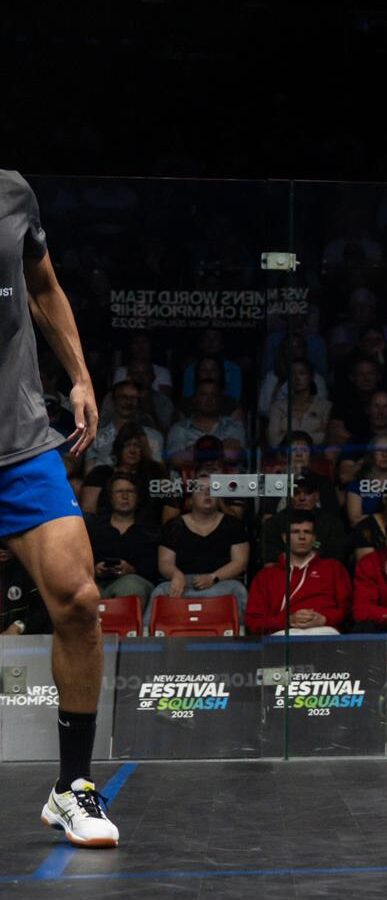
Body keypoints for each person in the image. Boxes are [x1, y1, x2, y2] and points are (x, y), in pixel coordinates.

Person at [0, 170, 120, 845]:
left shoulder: (11, 193)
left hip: (18, 444)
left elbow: (43, 287)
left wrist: (79, 375)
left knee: (78, 599)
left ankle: (72, 787)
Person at [150, 479, 251, 627]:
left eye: (212, 489)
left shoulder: (233, 525)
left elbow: (240, 562)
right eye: (200, 489)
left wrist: (213, 577)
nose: (207, 493)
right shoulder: (174, 526)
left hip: (221, 583)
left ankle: (243, 637)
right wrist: (176, 574)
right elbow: (165, 562)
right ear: (190, 498)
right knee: (160, 592)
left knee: (238, 590)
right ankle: (146, 637)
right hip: (183, 583)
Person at [244, 512, 353, 636]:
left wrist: (324, 619)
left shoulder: (333, 568)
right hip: (283, 634)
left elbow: (348, 611)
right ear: (285, 537)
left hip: (324, 630)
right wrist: (287, 621)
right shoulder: (266, 576)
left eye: (307, 532)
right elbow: (253, 622)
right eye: (295, 532)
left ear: (314, 538)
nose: (302, 537)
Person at [86, 473, 161, 604]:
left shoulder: (150, 530)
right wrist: (97, 569)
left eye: (130, 491)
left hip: (136, 583)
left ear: (138, 497)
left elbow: (155, 569)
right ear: (110, 497)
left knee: (130, 585)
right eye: (119, 491)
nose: (125, 496)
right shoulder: (94, 528)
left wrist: (131, 570)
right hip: (98, 584)